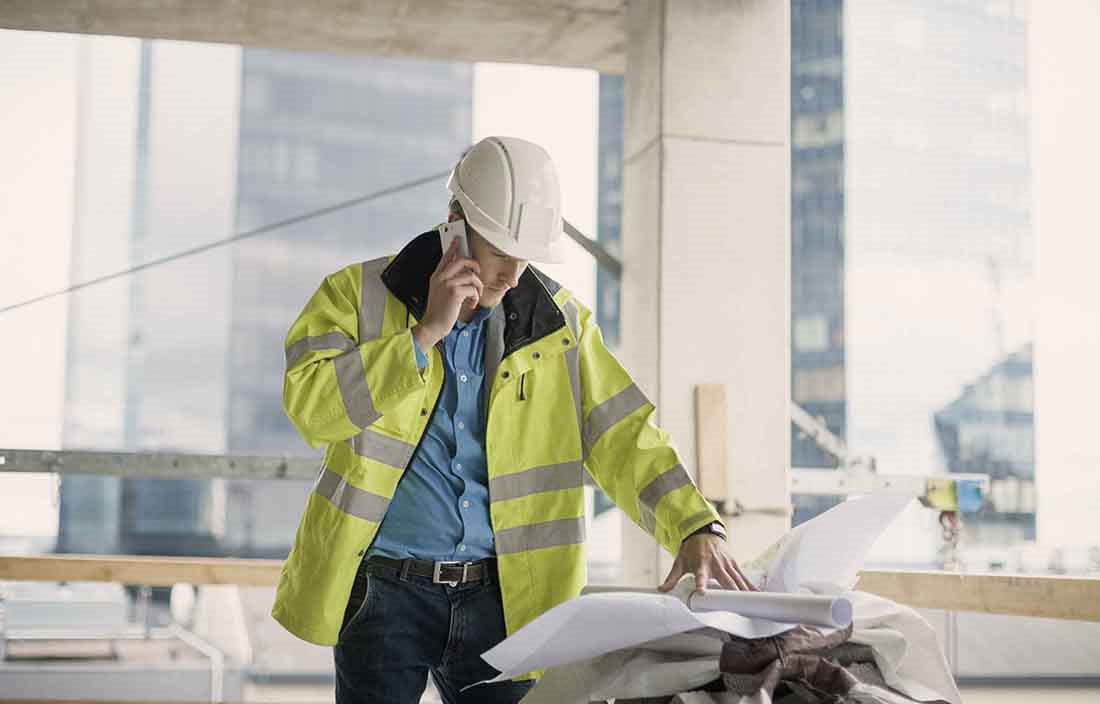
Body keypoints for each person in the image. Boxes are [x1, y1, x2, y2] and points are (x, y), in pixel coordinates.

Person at [271, 136, 755, 704]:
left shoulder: (560, 325)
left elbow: (625, 434)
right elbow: (310, 409)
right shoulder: (355, 296)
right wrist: (423, 334)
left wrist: (695, 524)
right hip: (383, 593)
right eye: (499, 252)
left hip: (506, 601)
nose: (510, 275)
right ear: (454, 223)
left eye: (524, 257)